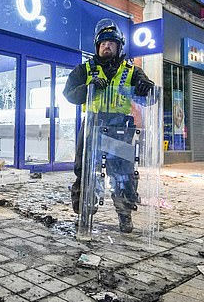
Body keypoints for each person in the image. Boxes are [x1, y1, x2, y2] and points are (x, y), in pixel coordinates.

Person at [63, 18, 154, 233]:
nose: (106, 46)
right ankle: (84, 214)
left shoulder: (131, 71)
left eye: (111, 43)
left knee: (123, 174)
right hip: (93, 125)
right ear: (97, 46)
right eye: (102, 43)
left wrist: (146, 87)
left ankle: (124, 215)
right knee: (85, 171)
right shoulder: (84, 69)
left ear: (119, 46)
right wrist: (88, 87)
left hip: (119, 127)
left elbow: (150, 97)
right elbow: (69, 94)